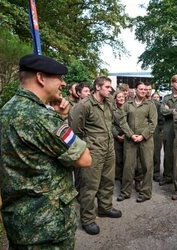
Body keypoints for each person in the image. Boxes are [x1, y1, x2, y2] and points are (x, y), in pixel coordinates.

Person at [0, 54, 92, 249]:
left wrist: (58, 117)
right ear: (40, 78)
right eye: (59, 78)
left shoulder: (7, 110)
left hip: (21, 222)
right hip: (47, 227)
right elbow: (84, 159)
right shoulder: (40, 117)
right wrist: (61, 121)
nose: (63, 84)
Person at [69, 76, 122, 235]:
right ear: (97, 87)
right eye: (107, 87)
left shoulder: (108, 104)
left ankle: (105, 207)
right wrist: (84, 149)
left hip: (108, 148)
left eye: (110, 87)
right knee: (90, 185)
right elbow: (76, 131)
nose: (110, 89)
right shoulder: (84, 105)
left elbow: (111, 123)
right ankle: (88, 219)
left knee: (107, 180)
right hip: (93, 150)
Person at [117, 81, 157, 203]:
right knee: (128, 166)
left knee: (147, 166)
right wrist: (130, 135)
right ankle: (125, 192)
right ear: (136, 90)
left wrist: (142, 136)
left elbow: (153, 123)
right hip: (130, 140)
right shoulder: (127, 104)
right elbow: (122, 121)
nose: (143, 91)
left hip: (146, 140)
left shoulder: (150, 104)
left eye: (145, 90)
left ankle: (145, 192)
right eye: (141, 89)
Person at [160, 74, 177, 186]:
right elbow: (162, 111)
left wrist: (170, 110)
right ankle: (168, 176)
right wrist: (174, 111)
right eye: (176, 82)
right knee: (168, 154)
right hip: (168, 130)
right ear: (172, 84)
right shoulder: (166, 98)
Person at [112, 91, 125, 182]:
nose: (121, 98)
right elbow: (111, 124)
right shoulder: (112, 110)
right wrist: (117, 135)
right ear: (115, 99)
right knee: (118, 158)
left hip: (128, 136)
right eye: (119, 97)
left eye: (123, 97)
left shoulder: (128, 108)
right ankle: (118, 176)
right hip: (117, 136)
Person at [151, 91, 164, 182]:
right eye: (154, 97)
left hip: (156, 133)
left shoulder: (158, 106)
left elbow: (162, 119)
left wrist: (159, 129)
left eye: (157, 97)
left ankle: (156, 173)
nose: (156, 98)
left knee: (156, 154)